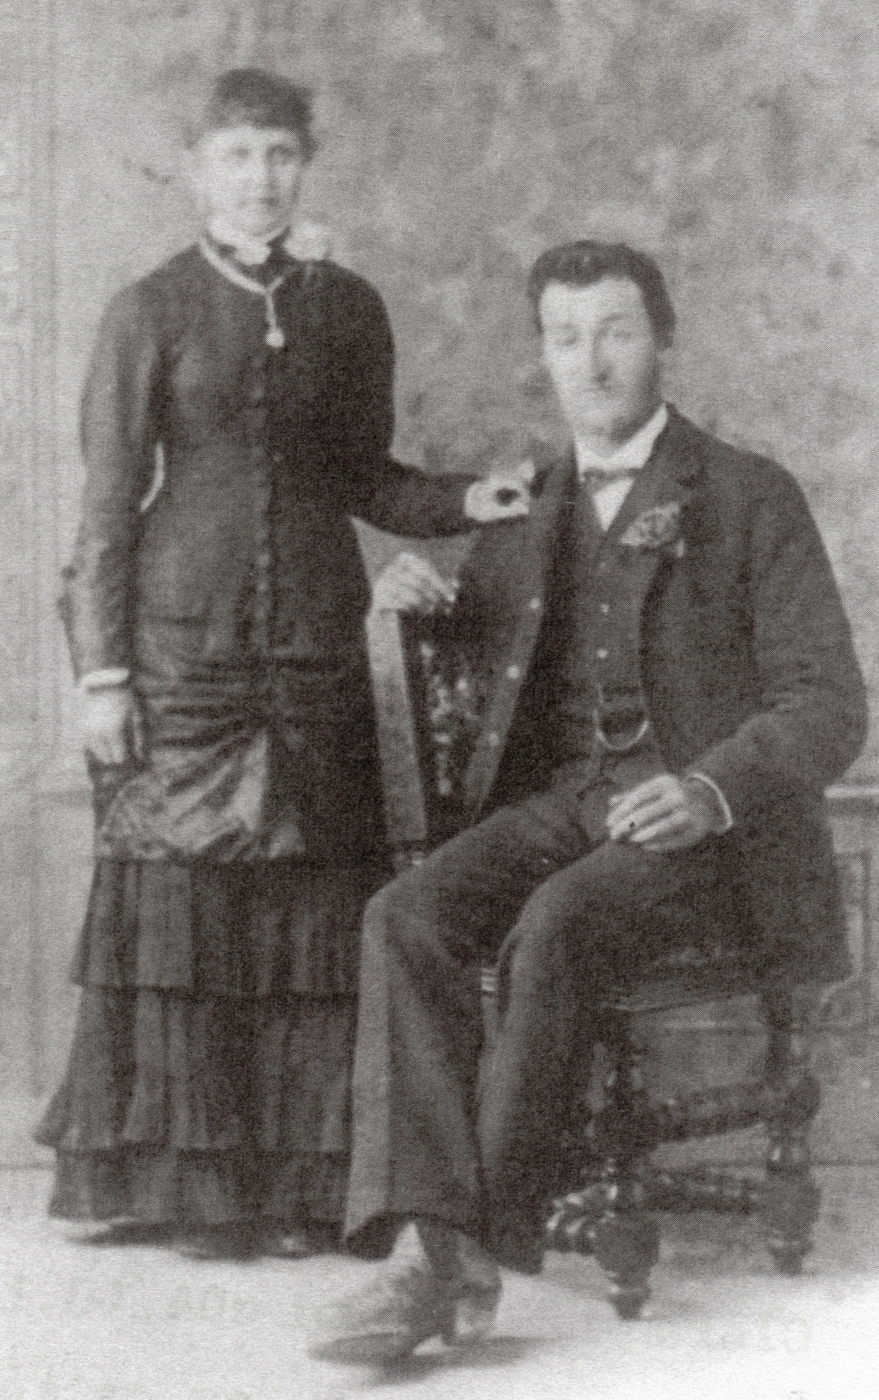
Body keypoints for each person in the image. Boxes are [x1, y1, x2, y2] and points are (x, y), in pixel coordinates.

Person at [309, 239, 868, 1360]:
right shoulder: (529, 501)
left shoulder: (750, 495)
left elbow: (830, 703)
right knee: (404, 912)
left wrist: (709, 788)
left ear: (662, 338)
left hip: (718, 843)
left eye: (615, 331)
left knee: (559, 916)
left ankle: (450, 1255)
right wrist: (417, 599)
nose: (593, 361)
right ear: (547, 357)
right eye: (566, 339)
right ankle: (433, 1225)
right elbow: (495, 667)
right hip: (570, 805)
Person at [36, 68, 528, 1261]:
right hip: (179, 654)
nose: (261, 176)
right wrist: (103, 677)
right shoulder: (145, 310)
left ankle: (311, 1186)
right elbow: (107, 509)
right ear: (200, 170)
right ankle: (189, 1189)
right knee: (190, 902)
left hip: (313, 648)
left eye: (280, 155)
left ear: (306, 165)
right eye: (238, 155)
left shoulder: (348, 309)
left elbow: (368, 474)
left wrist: (468, 496)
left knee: (312, 906)